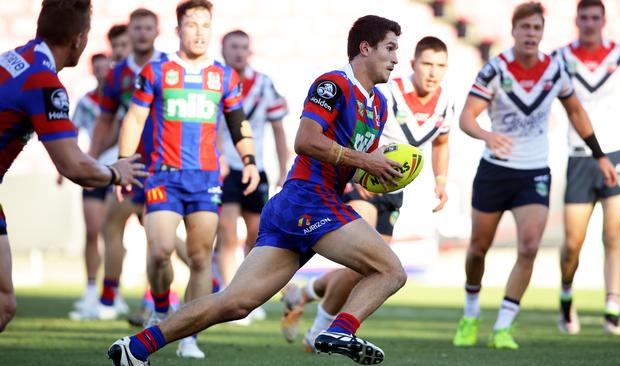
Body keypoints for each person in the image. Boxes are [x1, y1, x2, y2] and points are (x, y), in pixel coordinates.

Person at [107, 13, 403, 366]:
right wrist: (366, 161)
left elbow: (346, 160)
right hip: (309, 199)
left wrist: (371, 172)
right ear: (365, 48)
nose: (396, 58)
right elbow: (305, 141)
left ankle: (136, 347)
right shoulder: (333, 84)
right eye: (390, 48)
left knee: (235, 302)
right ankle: (339, 329)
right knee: (390, 270)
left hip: (300, 207)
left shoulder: (379, 105)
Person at [451, 1, 617, 350]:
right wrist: (487, 135)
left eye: (536, 29)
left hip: (534, 172)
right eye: (525, 28)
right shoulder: (495, 69)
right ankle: (470, 314)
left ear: (542, 33)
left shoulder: (555, 69)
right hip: (495, 171)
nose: (531, 34)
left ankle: (503, 327)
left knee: (529, 247)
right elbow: (467, 118)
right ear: (513, 31)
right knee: (478, 250)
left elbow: (577, 113)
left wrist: (600, 155)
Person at [281, 36, 453, 351]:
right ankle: (321, 330)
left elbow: (442, 140)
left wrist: (441, 180)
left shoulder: (443, 102)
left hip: (391, 188)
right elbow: (354, 126)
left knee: (368, 265)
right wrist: (357, 166)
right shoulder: (388, 90)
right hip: (361, 180)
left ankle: (304, 292)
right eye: (427, 63)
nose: (432, 72)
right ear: (413, 64)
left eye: (440, 66)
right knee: (367, 261)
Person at [113, 0, 260, 359]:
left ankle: (189, 336)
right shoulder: (156, 71)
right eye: (192, 24)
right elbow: (134, 118)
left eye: (205, 25)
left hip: (206, 179)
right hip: (164, 176)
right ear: (178, 30)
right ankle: (162, 309)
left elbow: (237, 121)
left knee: (199, 259)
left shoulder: (223, 76)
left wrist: (249, 159)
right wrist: (122, 165)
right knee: (161, 250)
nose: (199, 32)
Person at [0, 0, 145, 333]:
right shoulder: (44, 81)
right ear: (79, 39)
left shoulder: (14, 57)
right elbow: (73, 165)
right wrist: (115, 173)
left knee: (4, 301)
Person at [553, 0, 620, 337]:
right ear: (576, 20)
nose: (590, 23)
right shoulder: (560, 58)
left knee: (612, 234)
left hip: (618, 153)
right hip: (580, 156)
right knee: (573, 243)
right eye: (585, 17)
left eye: (596, 17)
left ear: (604, 20)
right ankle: (566, 295)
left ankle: (613, 310)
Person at [72, 8, 168, 321]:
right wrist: (90, 159)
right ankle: (122, 298)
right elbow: (104, 121)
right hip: (133, 164)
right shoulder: (117, 74)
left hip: (167, 163)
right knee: (121, 226)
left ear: (157, 31)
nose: (142, 33)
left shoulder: (170, 66)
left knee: (161, 237)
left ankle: (122, 298)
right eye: (137, 28)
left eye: (147, 27)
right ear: (130, 32)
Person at [211, 29, 289, 322]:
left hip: (256, 168)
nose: (239, 52)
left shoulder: (264, 83)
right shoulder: (214, 80)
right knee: (228, 233)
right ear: (223, 48)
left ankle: (246, 293)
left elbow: (279, 129)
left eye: (244, 46)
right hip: (224, 167)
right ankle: (232, 297)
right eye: (234, 46)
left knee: (257, 236)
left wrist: (283, 168)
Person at [66, 53, 113, 312]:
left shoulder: (123, 101)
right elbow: (71, 133)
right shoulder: (86, 102)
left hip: (121, 171)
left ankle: (112, 290)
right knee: (93, 231)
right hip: (94, 172)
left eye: (107, 69)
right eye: (98, 69)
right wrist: (67, 167)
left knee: (113, 232)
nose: (103, 74)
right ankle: (92, 289)